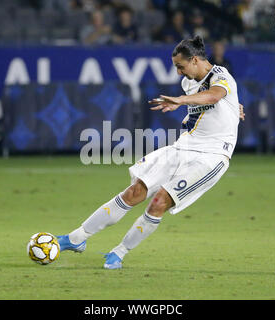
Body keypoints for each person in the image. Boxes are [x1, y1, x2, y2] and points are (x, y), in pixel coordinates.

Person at [56, 36, 245, 269]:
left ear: (195, 60)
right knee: (134, 191)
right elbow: (213, 103)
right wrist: (233, 107)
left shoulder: (220, 75)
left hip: (212, 156)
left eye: (180, 66)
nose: (178, 72)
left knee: (158, 202)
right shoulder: (189, 82)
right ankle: (76, 238)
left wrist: (181, 101)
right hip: (184, 146)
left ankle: (119, 252)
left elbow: (215, 94)